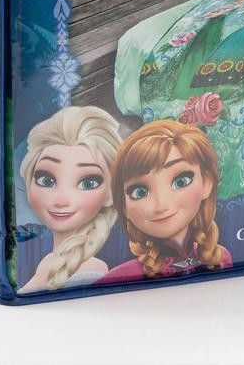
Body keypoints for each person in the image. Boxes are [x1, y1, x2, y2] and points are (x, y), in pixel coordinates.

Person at [95, 120, 232, 282]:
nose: (161, 205)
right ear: (124, 207)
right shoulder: (119, 277)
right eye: (140, 192)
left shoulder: (220, 257)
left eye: (181, 181)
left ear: (206, 183)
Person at [18, 106, 122, 292]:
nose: (61, 200)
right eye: (46, 180)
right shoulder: (47, 261)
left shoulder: (88, 270)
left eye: (88, 183)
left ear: (110, 193)